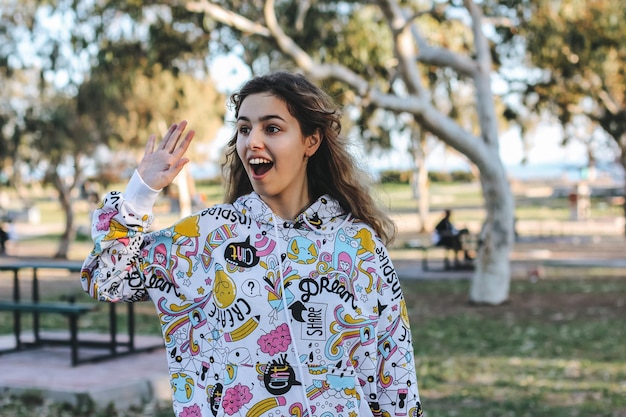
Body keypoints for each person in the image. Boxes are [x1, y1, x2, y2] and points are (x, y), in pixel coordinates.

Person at [81, 71, 423, 417]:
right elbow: (106, 279)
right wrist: (140, 194)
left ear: (311, 141)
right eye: (244, 129)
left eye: (271, 128)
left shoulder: (358, 245)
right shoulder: (209, 238)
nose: (252, 142)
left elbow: (394, 375)